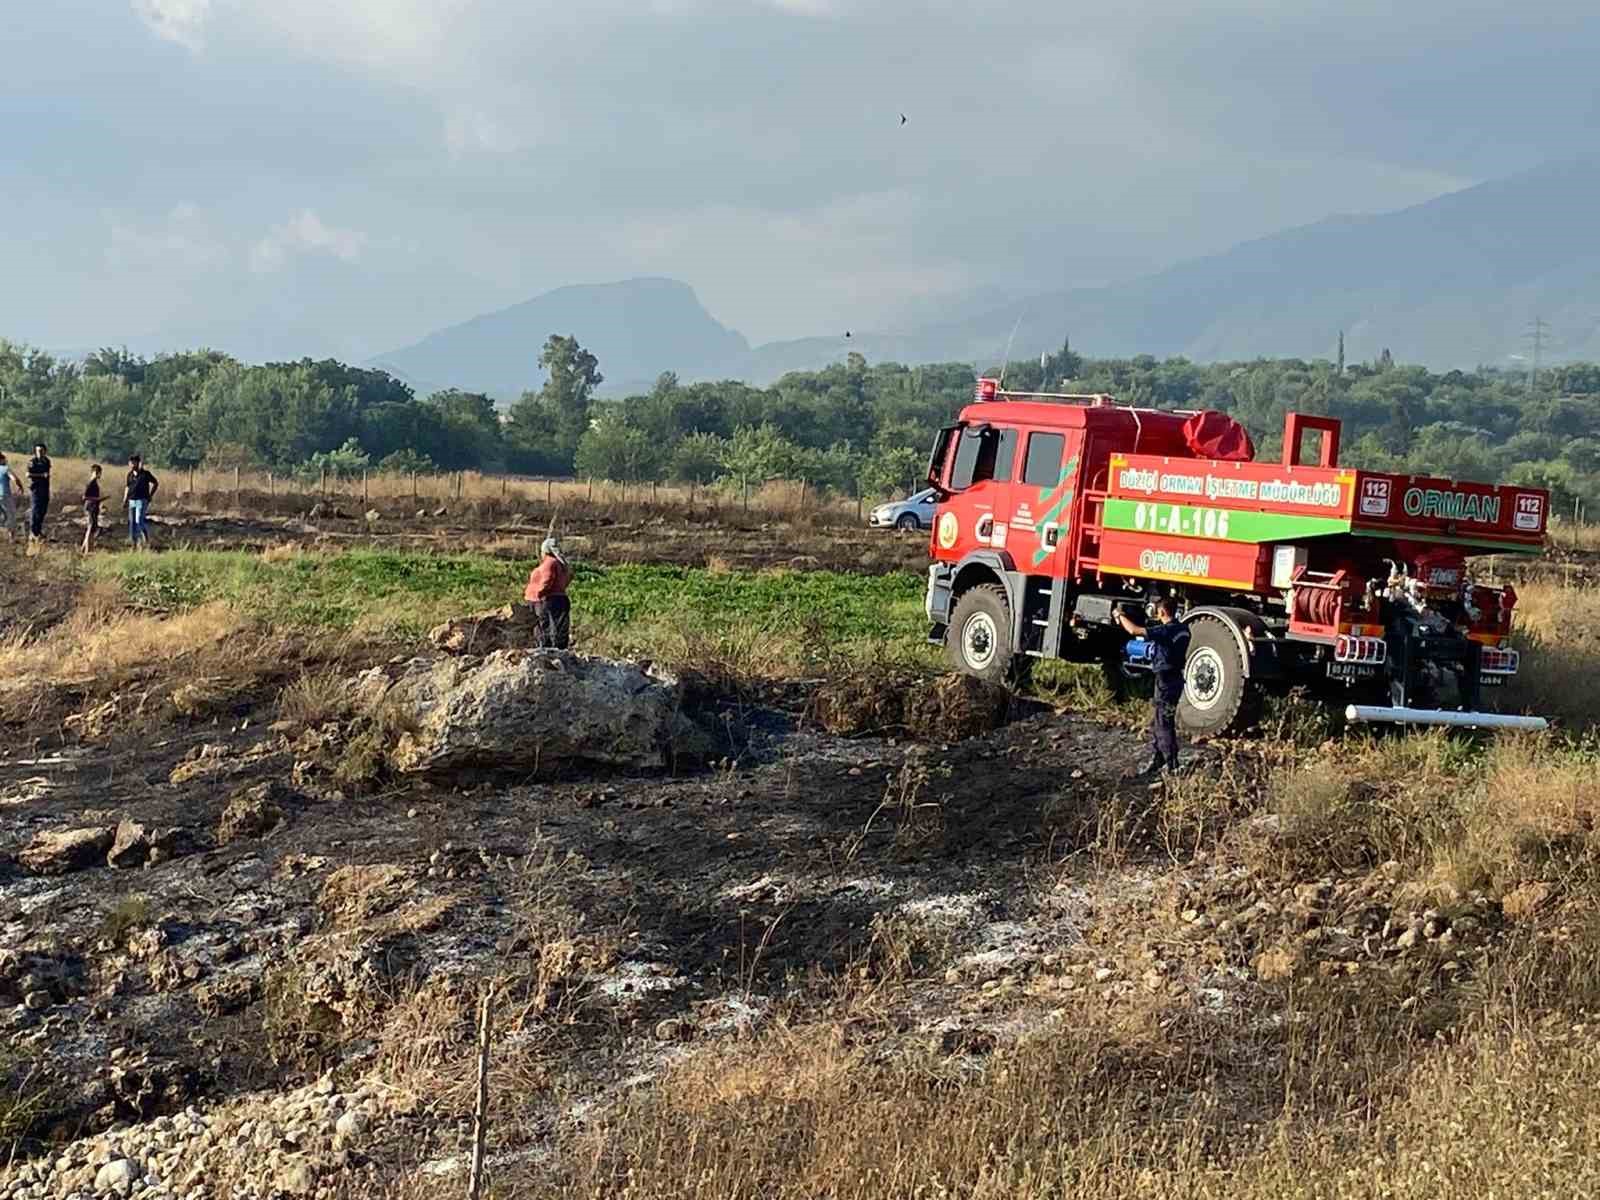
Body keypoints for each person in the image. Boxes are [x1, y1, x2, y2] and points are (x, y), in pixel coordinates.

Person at [1116, 595, 1191, 779]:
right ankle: (1159, 758)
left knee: (1163, 722)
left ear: (1162, 611)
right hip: (1176, 679)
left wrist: (1119, 616)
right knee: (1162, 720)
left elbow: (1134, 630)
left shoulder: (1165, 631)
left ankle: (1172, 764)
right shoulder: (1184, 629)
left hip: (1164, 680)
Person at [523, 537, 572, 649]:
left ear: (545, 551)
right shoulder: (562, 564)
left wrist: (540, 593)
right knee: (558, 629)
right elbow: (569, 577)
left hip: (548, 599)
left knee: (544, 628)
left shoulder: (549, 562)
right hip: (560, 598)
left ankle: (545, 650)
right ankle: (559, 652)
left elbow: (547, 580)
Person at [123, 454, 160, 549]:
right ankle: (133, 542)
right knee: (132, 522)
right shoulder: (130, 475)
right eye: (130, 463)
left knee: (138, 520)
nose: (131, 465)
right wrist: (125, 499)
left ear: (137, 463)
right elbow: (127, 487)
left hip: (142, 500)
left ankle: (143, 540)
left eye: (133, 462)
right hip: (132, 500)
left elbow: (155, 483)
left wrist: (150, 495)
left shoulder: (145, 474)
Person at [25, 444, 51, 541]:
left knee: (43, 511)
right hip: (35, 489)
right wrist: (41, 475)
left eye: (41, 450)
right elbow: (28, 475)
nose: (39, 452)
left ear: (45, 451)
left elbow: (47, 475)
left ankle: (38, 531)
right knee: (35, 510)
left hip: (45, 489)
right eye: (38, 451)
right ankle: (33, 532)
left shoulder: (47, 461)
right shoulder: (32, 462)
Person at [82, 464, 103, 553]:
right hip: (91, 506)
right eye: (98, 473)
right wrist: (98, 499)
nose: (99, 475)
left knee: (92, 527)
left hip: (93, 506)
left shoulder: (94, 482)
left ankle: (84, 548)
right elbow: (84, 497)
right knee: (90, 528)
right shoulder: (91, 483)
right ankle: (88, 549)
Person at [0, 452, 17, 541]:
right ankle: (11, 537)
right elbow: (14, 478)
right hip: (5, 495)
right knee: (11, 515)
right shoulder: (5, 469)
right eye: (3, 458)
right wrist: (20, 486)